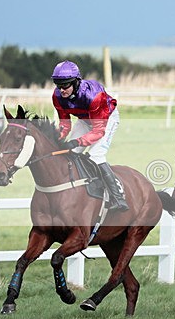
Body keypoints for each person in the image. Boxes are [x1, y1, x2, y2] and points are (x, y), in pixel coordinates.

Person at [51, 60, 129, 211]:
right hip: (85, 121)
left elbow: (99, 131)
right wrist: (58, 139)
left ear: (75, 82)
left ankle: (118, 197)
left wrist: (78, 141)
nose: (62, 90)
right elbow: (65, 124)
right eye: (58, 85)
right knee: (71, 154)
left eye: (65, 85)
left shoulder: (93, 96)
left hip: (106, 120)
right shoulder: (57, 96)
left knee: (95, 156)